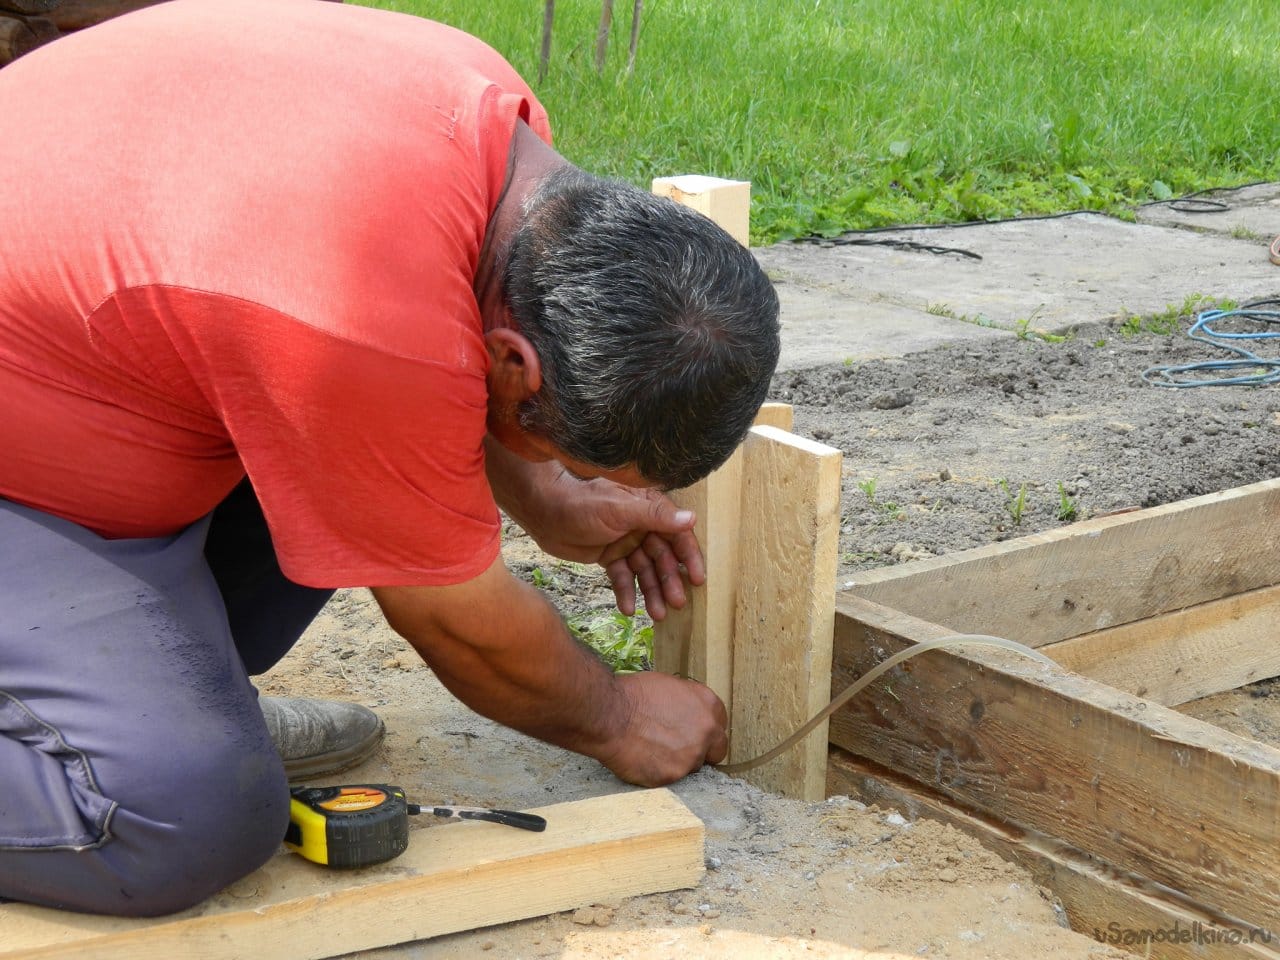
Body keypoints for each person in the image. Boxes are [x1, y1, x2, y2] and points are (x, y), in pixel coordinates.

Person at [0, 0, 779, 917]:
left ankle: (110, 705)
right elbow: (456, 621)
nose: (593, 487)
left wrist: (540, 488)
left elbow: (428, 369)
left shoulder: (497, 130)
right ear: (515, 365)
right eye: (594, 465)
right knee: (181, 816)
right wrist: (616, 716)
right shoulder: (348, 315)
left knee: (345, 512)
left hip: (66, 360)